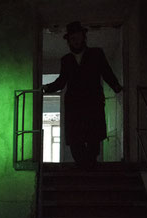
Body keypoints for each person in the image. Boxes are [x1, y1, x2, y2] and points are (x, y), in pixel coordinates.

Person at [42, 21, 123, 168]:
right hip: (74, 104)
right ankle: (82, 164)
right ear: (69, 41)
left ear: (84, 37)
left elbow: (106, 72)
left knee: (93, 135)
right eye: (73, 38)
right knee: (75, 137)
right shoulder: (66, 60)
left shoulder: (96, 53)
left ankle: (90, 163)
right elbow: (62, 81)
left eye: (78, 37)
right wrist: (47, 88)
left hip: (93, 101)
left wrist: (116, 86)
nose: (76, 40)